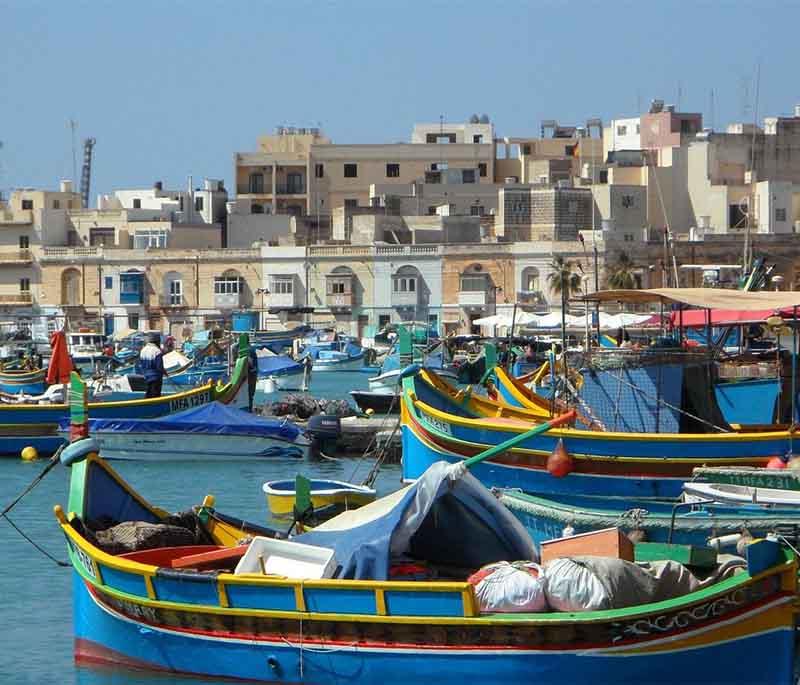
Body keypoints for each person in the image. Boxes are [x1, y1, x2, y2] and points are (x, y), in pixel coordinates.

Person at [138, 333, 166, 398]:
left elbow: (141, 364)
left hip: (146, 376)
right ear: (157, 341)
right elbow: (159, 366)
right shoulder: (157, 351)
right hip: (156, 377)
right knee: (155, 395)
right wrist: (163, 372)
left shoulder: (143, 350)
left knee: (148, 393)